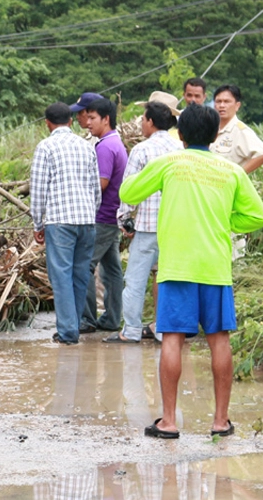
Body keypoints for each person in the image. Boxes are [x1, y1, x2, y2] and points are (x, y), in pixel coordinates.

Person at [120, 105, 263, 439]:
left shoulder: (169, 164)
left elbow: (127, 192)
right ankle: (220, 421)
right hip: (215, 270)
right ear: (216, 135)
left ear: (181, 135)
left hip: (176, 269)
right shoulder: (231, 171)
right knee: (219, 341)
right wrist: (227, 222)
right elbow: (259, 217)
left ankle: (169, 422)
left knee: (172, 338)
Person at [104, 101, 181, 344]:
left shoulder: (142, 150)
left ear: (150, 122)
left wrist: (124, 219)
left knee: (135, 280)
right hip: (175, 227)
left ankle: (132, 331)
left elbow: (129, 190)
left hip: (147, 227)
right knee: (169, 280)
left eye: (143, 119)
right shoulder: (181, 149)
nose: (141, 124)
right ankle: (163, 332)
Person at [30, 103, 100, 345]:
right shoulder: (86, 146)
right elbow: (95, 189)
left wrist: (38, 223)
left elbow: (38, 190)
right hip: (86, 220)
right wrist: (91, 213)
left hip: (60, 222)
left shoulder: (45, 147)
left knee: (60, 277)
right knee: (80, 276)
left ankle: (68, 331)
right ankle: (73, 326)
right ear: (71, 121)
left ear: (47, 123)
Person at [78, 97, 128, 334]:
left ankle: (87, 319)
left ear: (106, 119)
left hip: (102, 216)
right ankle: (111, 318)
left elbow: (102, 183)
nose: (88, 123)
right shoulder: (116, 143)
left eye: (92, 118)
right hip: (113, 215)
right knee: (112, 269)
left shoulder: (106, 147)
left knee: (84, 266)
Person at [211, 84, 263, 174]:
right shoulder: (210, 128)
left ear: (237, 106)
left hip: (228, 185)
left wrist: (239, 175)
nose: (222, 105)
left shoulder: (240, 131)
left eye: (227, 102)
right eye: (218, 101)